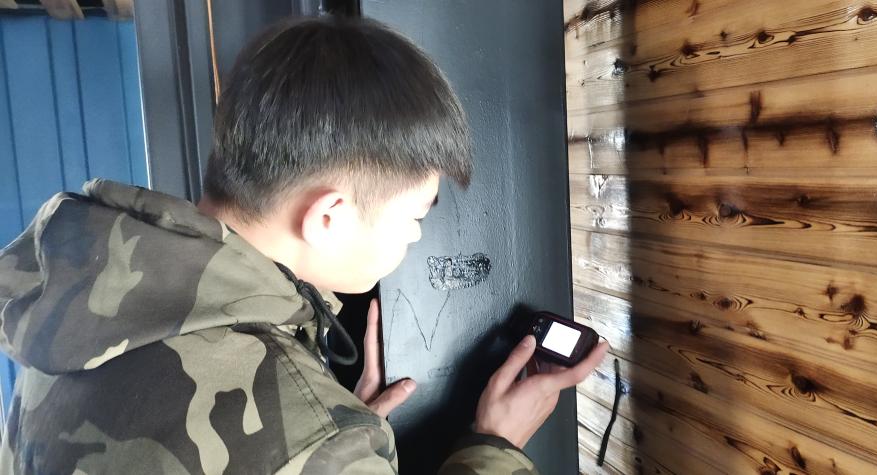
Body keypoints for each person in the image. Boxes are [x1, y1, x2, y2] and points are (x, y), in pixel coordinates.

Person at [0, 15, 608, 474]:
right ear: (329, 218)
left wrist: (322, 424)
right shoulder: (317, 445)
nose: (415, 236)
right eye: (415, 216)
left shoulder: (75, 311)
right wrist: (496, 445)